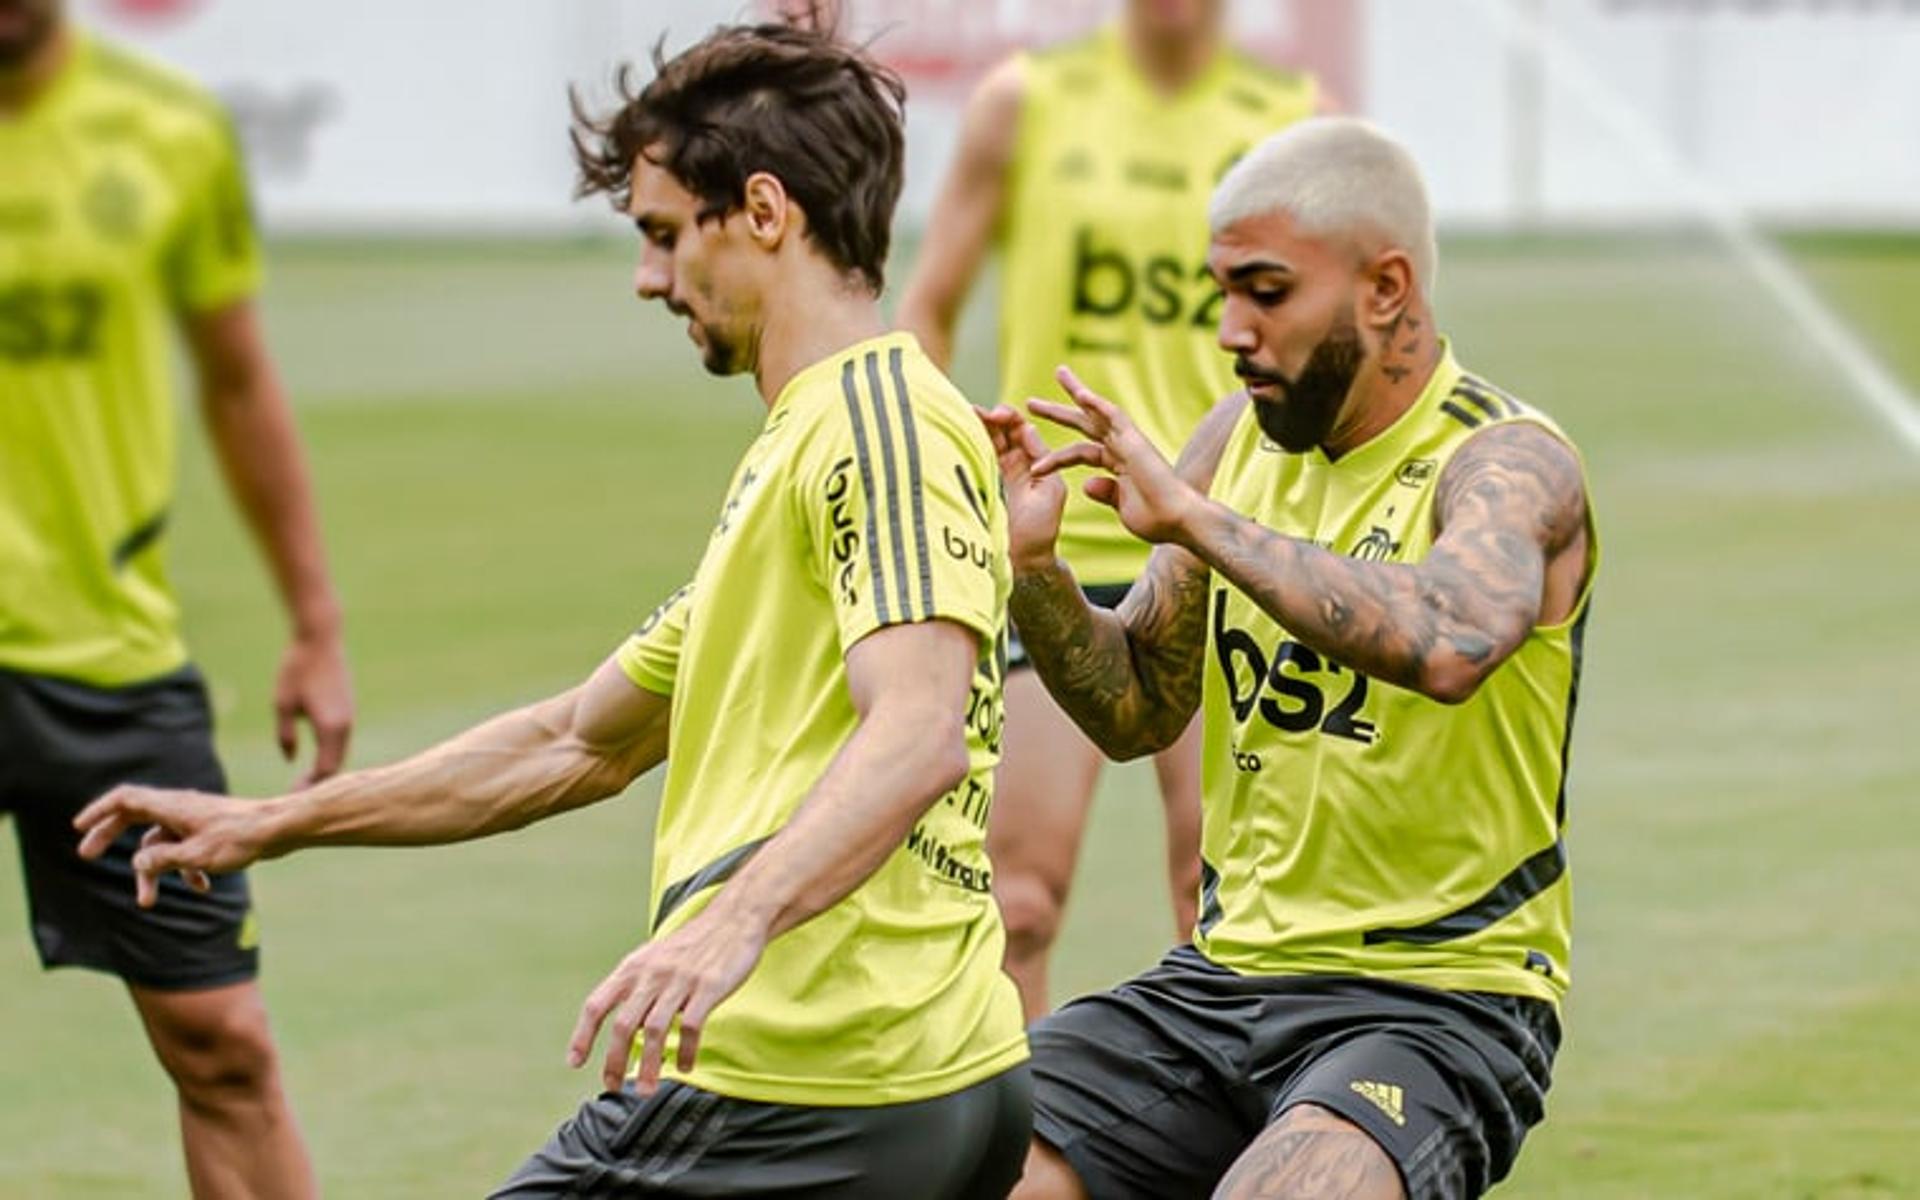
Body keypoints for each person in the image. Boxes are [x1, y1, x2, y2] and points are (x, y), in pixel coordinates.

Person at [77, 18, 1032, 1198]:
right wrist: (277, 822)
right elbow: (574, 742)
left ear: (768, 213)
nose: (648, 278)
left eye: (666, 235)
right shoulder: (814, 444)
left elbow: (918, 728)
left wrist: (732, 923)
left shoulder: (874, 420)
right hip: (903, 1077)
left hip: (807, 1076)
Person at [984, 117, 1598, 1199]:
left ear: (1386, 287)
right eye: (1220, 291)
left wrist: (1197, 524)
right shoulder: (1231, 444)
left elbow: (1451, 639)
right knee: (967, 1161)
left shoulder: (1508, 461)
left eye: (1266, 292)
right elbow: (1137, 709)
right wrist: (1035, 568)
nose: (1230, 330)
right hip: (1223, 985)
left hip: (1439, 1002)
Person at [899, 0, 1319, 1017]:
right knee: (1018, 902)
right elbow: (929, 305)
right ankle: (1018, 1163)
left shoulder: (1291, 118)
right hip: (1056, 549)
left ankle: (1230, 1158)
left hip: (1212, 552)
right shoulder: (1026, 102)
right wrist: (937, 473)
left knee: (1215, 895)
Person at [1, 0, 353, 1194]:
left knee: (225, 1045)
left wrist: (315, 622)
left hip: (105, 661)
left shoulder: (165, 129)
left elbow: (239, 380)